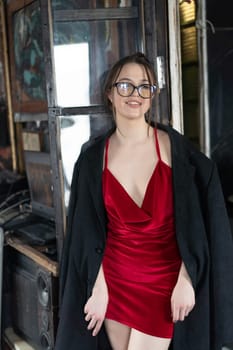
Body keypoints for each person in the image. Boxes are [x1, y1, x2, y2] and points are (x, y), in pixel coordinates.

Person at [55, 52, 233, 350]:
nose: (134, 94)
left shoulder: (185, 158)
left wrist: (187, 278)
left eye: (144, 86)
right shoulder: (91, 160)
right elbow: (87, 233)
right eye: (125, 85)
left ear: (153, 95)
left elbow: (201, 226)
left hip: (165, 286)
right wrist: (98, 289)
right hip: (115, 284)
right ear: (110, 92)